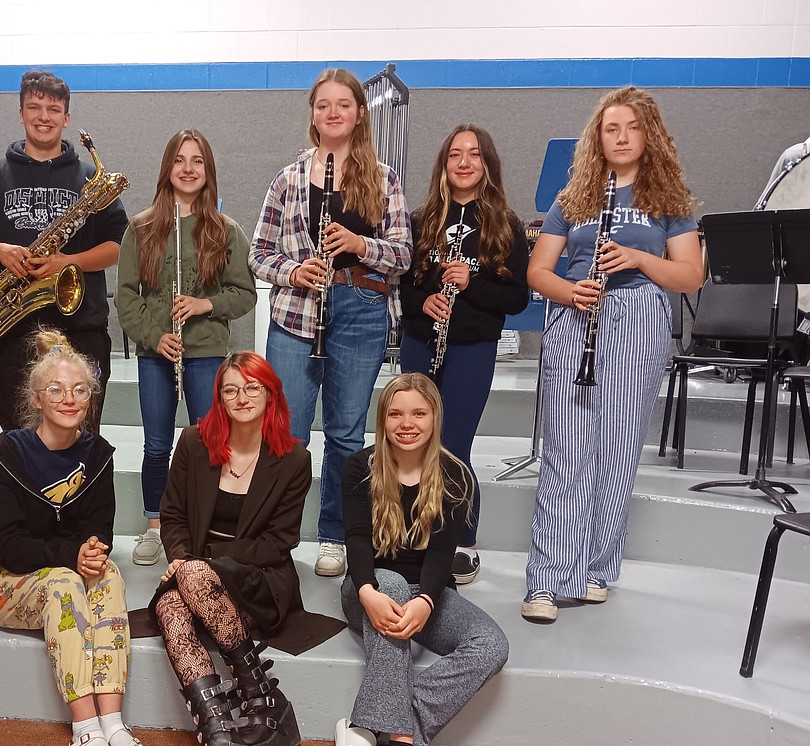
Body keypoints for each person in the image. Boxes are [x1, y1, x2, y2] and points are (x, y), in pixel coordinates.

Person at [522, 86, 703, 623]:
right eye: (611, 128)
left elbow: (691, 275)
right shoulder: (573, 198)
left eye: (632, 127)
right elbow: (538, 271)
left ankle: (597, 567)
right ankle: (546, 579)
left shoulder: (669, 202)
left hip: (637, 320)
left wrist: (639, 259)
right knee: (565, 452)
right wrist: (569, 291)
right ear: (597, 138)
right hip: (577, 319)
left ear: (650, 135)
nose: (621, 137)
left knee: (617, 451)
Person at [152, 351, 344, 746]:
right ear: (218, 396)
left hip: (258, 575)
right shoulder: (195, 443)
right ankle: (226, 737)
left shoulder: (293, 457)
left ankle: (246, 713)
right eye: (230, 389)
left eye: (252, 387)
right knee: (172, 606)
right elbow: (172, 515)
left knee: (188, 584)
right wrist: (182, 559)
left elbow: (280, 540)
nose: (241, 397)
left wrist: (207, 567)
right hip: (196, 570)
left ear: (270, 394)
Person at [250, 67, 412, 579]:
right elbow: (258, 253)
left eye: (344, 104)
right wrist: (295, 270)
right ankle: (277, 536)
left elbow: (404, 253)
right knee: (288, 435)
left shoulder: (383, 178)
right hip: (298, 311)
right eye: (324, 105)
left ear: (360, 114)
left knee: (345, 433)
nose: (334, 112)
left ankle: (335, 536)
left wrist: (361, 245)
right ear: (313, 115)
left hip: (361, 309)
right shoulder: (288, 178)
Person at [0, 331, 147, 746]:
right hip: (2, 581)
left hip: (65, 568)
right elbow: (6, 543)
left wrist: (90, 552)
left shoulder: (98, 455)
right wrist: (72, 554)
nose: (69, 399)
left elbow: (99, 532)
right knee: (66, 583)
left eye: (79, 390)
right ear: (36, 399)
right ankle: (84, 727)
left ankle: (112, 720)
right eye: (56, 390)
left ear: (91, 397)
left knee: (106, 577)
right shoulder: (4, 455)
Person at [335, 372, 508, 746]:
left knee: (491, 644)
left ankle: (374, 722)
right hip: (367, 589)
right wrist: (369, 591)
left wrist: (428, 600)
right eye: (395, 413)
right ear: (383, 419)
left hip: (427, 593)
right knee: (390, 581)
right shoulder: (360, 467)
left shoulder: (454, 473)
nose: (406, 423)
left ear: (434, 418)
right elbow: (356, 540)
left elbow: (441, 556)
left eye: (418, 413)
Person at [0, 70, 129, 433]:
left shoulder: (90, 180)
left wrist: (69, 262)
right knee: (19, 439)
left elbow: (119, 245)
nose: (43, 116)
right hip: (12, 329)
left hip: (82, 328)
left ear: (66, 117)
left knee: (83, 436)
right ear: (20, 113)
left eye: (53, 108)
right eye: (33, 106)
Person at [114, 129, 257, 567]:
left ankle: (203, 522)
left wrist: (204, 304)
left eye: (197, 161)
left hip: (207, 352)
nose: (188, 169)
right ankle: (155, 525)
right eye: (180, 160)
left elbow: (244, 293)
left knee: (209, 441)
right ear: (167, 169)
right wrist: (154, 336)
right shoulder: (141, 228)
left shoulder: (225, 229)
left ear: (208, 170)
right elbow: (125, 295)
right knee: (156, 443)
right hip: (157, 354)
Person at [400, 124, 529, 584]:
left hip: (473, 346)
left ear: (486, 164)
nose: (464, 162)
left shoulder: (504, 224)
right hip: (420, 341)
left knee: (454, 445)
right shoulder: (420, 220)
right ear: (444, 163)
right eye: (455, 153)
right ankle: (410, 536)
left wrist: (472, 284)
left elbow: (517, 299)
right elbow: (400, 287)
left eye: (474, 154)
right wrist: (425, 301)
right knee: (410, 441)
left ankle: (462, 541)